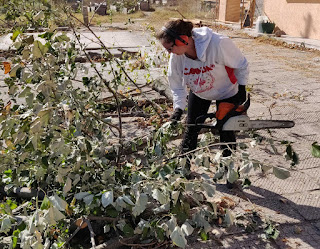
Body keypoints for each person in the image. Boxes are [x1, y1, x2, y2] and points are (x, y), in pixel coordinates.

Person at [156, 19, 249, 172]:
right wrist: (178, 108)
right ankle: (182, 168)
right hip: (199, 91)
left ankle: (228, 171)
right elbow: (176, 84)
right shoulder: (177, 57)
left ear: (183, 40)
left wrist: (242, 89)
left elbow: (241, 64)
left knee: (226, 130)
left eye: (170, 48)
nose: (169, 53)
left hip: (226, 91)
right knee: (191, 128)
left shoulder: (219, 44)